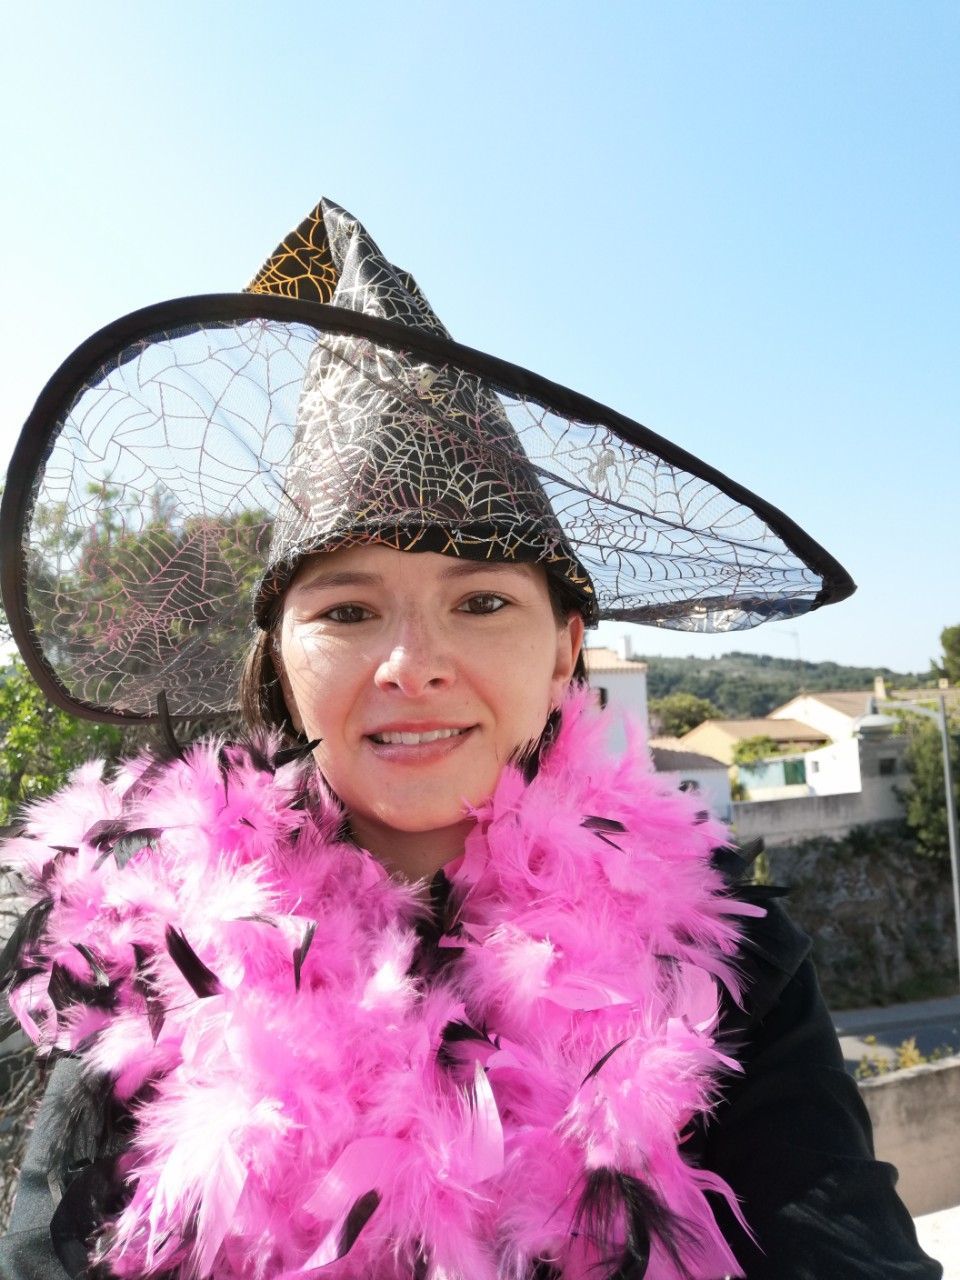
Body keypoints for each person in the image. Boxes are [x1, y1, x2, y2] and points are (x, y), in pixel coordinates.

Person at [0, 200, 940, 1279]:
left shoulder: (731, 967)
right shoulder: (148, 961)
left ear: (564, 650)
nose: (412, 663)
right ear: (281, 659)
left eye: (482, 602)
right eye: (348, 611)